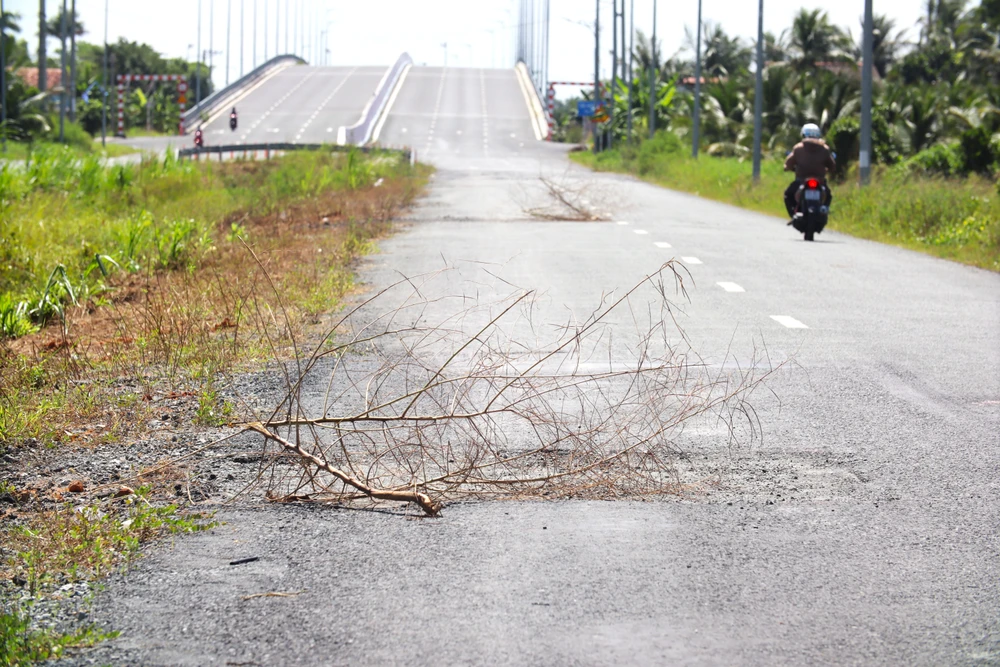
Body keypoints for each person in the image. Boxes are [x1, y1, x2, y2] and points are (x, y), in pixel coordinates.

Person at [783, 123, 836, 219]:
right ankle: (824, 209)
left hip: (802, 179)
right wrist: (828, 170)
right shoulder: (825, 149)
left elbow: (788, 163)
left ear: (803, 135)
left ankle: (793, 215)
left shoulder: (798, 148)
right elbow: (832, 165)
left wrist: (787, 168)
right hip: (820, 180)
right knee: (828, 195)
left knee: (788, 194)